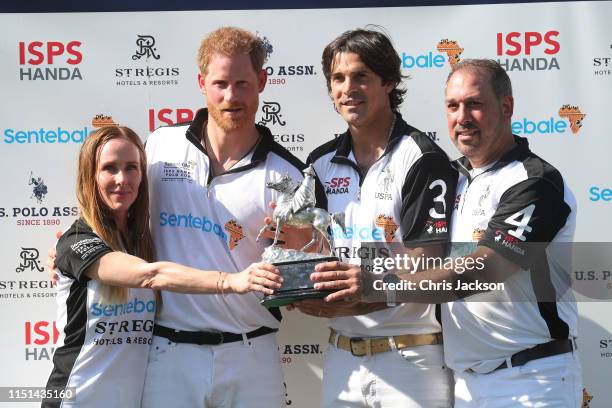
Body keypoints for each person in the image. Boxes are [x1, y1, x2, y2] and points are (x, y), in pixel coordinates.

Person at [316, 59, 582, 407]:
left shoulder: (535, 182)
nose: (462, 117)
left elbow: (484, 270)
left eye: (474, 104)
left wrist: (372, 285)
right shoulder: (450, 177)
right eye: (453, 106)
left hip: (533, 377)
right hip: (465, 383)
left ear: (507, 107)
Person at [43, 126, 282, 408]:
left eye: (131, 168)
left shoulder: (143, 238)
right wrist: (231, 282)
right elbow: (150, 275)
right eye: (109, 168)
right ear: (90, 176)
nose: (122, 179)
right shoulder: (77, 241)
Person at [140, 27, 307, 408]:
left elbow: (300, 279)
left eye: (243, 84)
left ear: (262, 82)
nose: (231, 97)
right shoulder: (158, 147)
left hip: (252, 354)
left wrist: (299, 272)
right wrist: (77, 252)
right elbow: (112, 210)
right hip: (168, 352)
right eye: (220, 84)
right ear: (201, 83)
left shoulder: (289, 176)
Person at [300, 28, 456, 407]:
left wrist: (366, 287)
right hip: (341, 359)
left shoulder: (422, 157)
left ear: (388, 82)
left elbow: (430, 262)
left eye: (361, 77)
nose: (347, 88)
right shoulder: (319, 163)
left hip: (411, 356)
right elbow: (311, 255)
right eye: (338, 78)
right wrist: (298, 289)